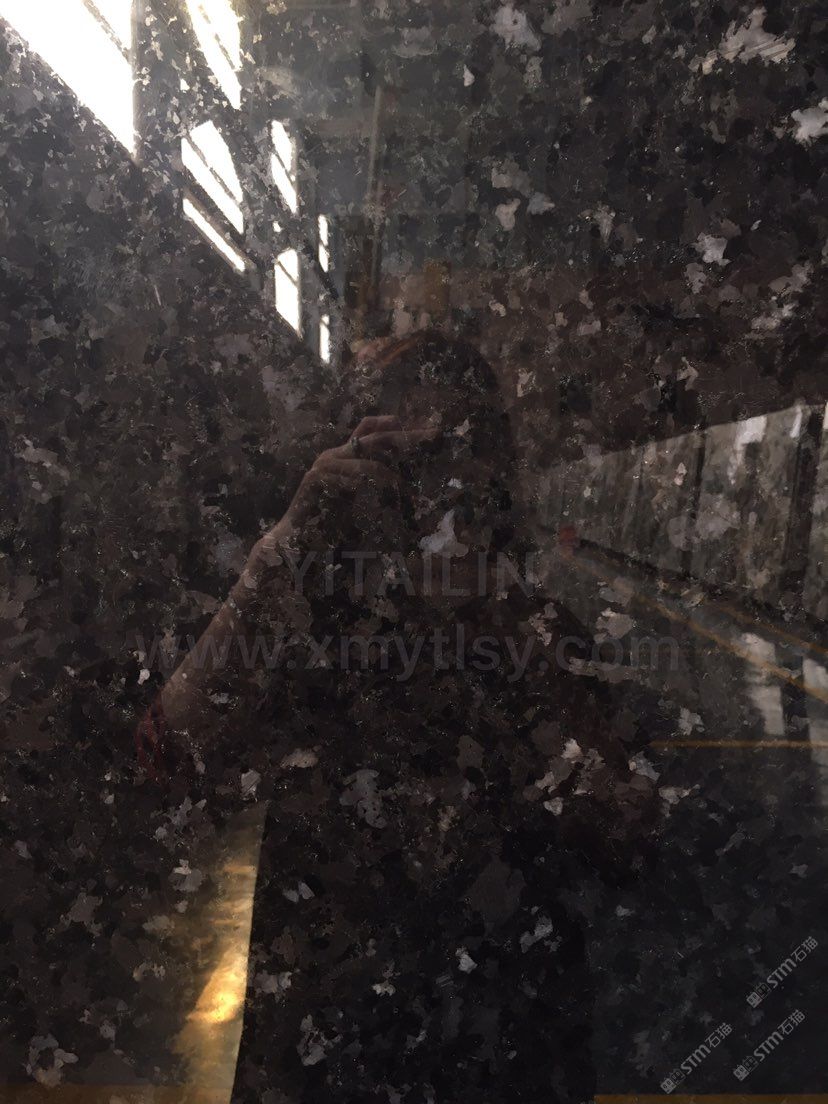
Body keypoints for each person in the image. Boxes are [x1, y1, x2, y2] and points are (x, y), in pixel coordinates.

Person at [137, 330, 659, 1104]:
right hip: (339, 1024)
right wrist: (287, 549)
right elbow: (169, 757)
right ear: (352, 461)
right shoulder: (309, 622)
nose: (431, 493)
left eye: (455, 456)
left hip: (498, 1030)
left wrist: (495, 610)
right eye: (404, 459)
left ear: (495, 477)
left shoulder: (535, 626)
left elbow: (625, 834)